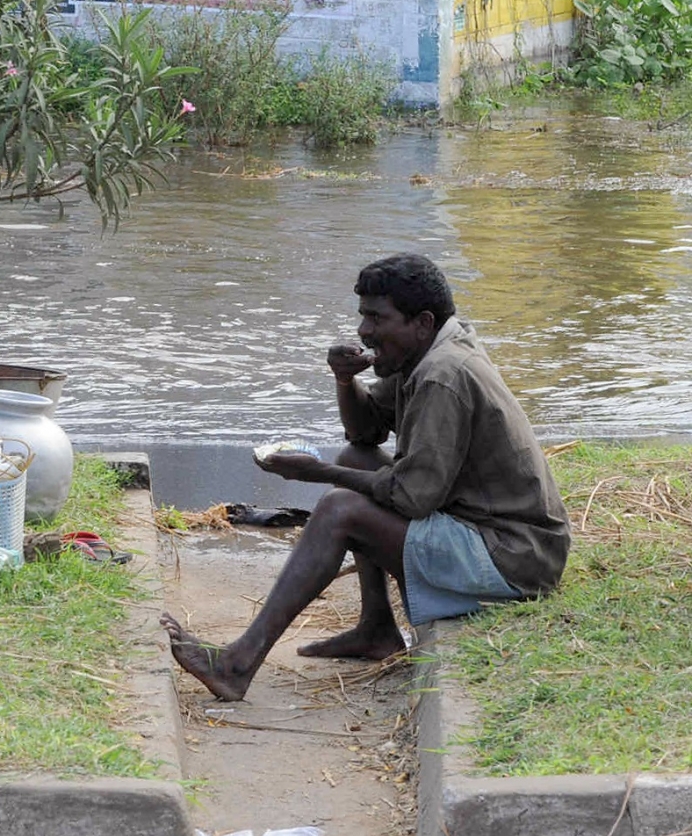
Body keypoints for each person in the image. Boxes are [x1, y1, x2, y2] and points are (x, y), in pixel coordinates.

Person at [162, 254, 571, 702]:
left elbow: (412, 498)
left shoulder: (442, 375)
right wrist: (344, 381)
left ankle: (236, 665)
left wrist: (317, 474)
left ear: (422, 321)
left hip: (514, 558)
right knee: (356, 459)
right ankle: (376, 627)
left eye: (378, 318)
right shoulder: (432, 350)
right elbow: (366, 432)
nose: (364, 331)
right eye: (363, 316)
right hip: (497, 536)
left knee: (340, 508)